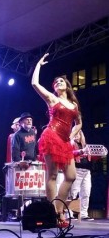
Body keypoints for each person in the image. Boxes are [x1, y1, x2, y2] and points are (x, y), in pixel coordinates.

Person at [31, 53, 82, 227]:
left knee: (71, 176)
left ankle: (58, 209)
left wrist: (72, 136)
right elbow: (34, 83)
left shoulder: (74, 105)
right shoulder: (52, 99)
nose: (58, 83)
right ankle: (54, 213)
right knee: (52, 175)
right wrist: (38, 64)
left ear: (67, 86)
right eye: (55, 82)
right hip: (51, 136)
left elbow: (79, 123)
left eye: (61, 81)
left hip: (65, 142)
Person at [70, 129, 94, 220]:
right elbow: (69, 154)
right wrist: (81, 151)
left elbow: (91, 158)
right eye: (74, 134)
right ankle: (70, 213)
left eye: (78, 134)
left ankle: (83, 214)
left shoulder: (85, 146)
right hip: (76, 170)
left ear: (81, 135)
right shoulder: (70, 145)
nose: (76, 136)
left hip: (87, 171)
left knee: (86, 193)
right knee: (73, 193)